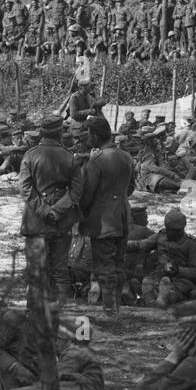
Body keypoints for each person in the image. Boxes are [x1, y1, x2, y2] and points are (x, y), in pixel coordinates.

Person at [17, 116, 84, 301]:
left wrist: (44, 211)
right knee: (60, 271)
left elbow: (25, 187)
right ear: (60, 133)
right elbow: (77, 191)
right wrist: (57, 210)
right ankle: (62, 314)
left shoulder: (30, 155)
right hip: (61, 222)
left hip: (35, 221)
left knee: (36, 271)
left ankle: (34, 315)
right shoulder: (69, 156)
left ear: (41, 132)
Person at [79, 116, 134, 315]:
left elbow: (87, 194)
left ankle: (110, 310)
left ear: (95, 136)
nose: (87, 139)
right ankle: (116, 307)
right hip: (123, 216)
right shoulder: (126, 156)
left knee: (104, 266)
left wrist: (82, 215)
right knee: (118, 264)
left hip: (103, 220)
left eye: (89, 135)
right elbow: (131, 188)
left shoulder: (97, 161)